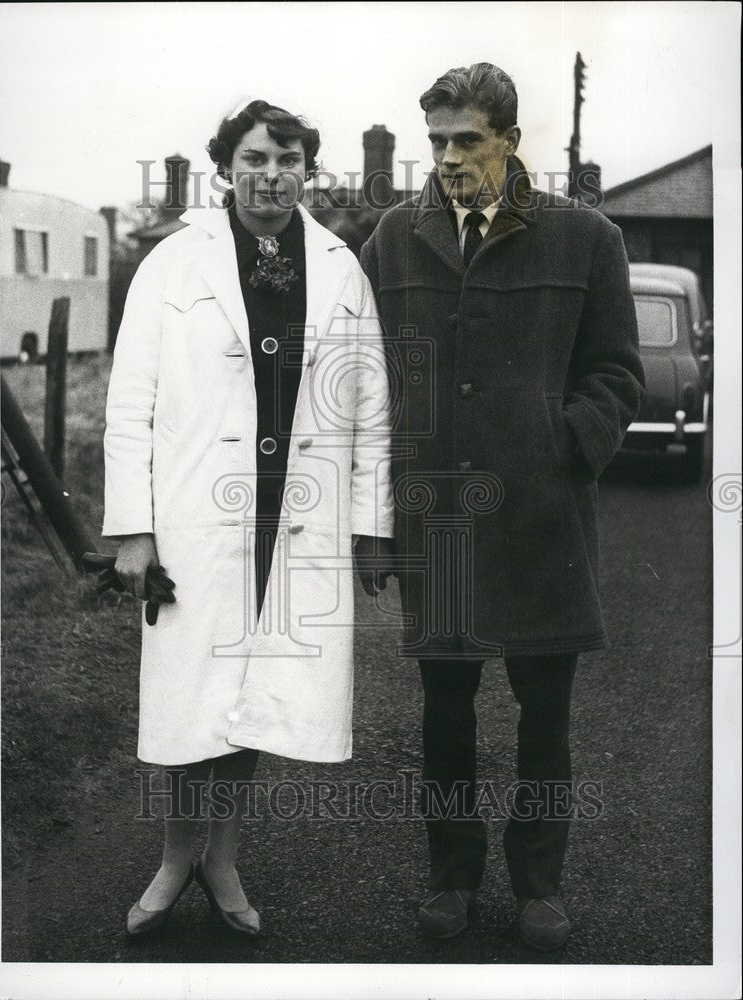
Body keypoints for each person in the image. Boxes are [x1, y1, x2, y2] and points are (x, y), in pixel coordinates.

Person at [360, 63, 644, 950]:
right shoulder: (392, 240)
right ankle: (451, 879)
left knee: (544, 717)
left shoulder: (584, 238)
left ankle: (539, 887)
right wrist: (373, 515)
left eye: (466, 140)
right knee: (445, 717)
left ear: (510, 142)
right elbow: (360, 384)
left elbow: (616, 374)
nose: (446, 159)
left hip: (540, 526)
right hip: (435, 528)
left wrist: (565, 442)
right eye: (436, 142)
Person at [103, 100, 394, 937]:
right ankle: (172, 860)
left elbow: (370, 405)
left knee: (257, 689)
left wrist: (370, 524)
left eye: (290, 158)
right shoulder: (172, 264)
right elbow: (130, 402)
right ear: (227, 166)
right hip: (197, 512)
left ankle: (223, 860)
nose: (273, 174)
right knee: (190, 692)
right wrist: (134, 527)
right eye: (256, 158)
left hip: (296, 511)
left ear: (310, 168)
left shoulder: (340, 265)